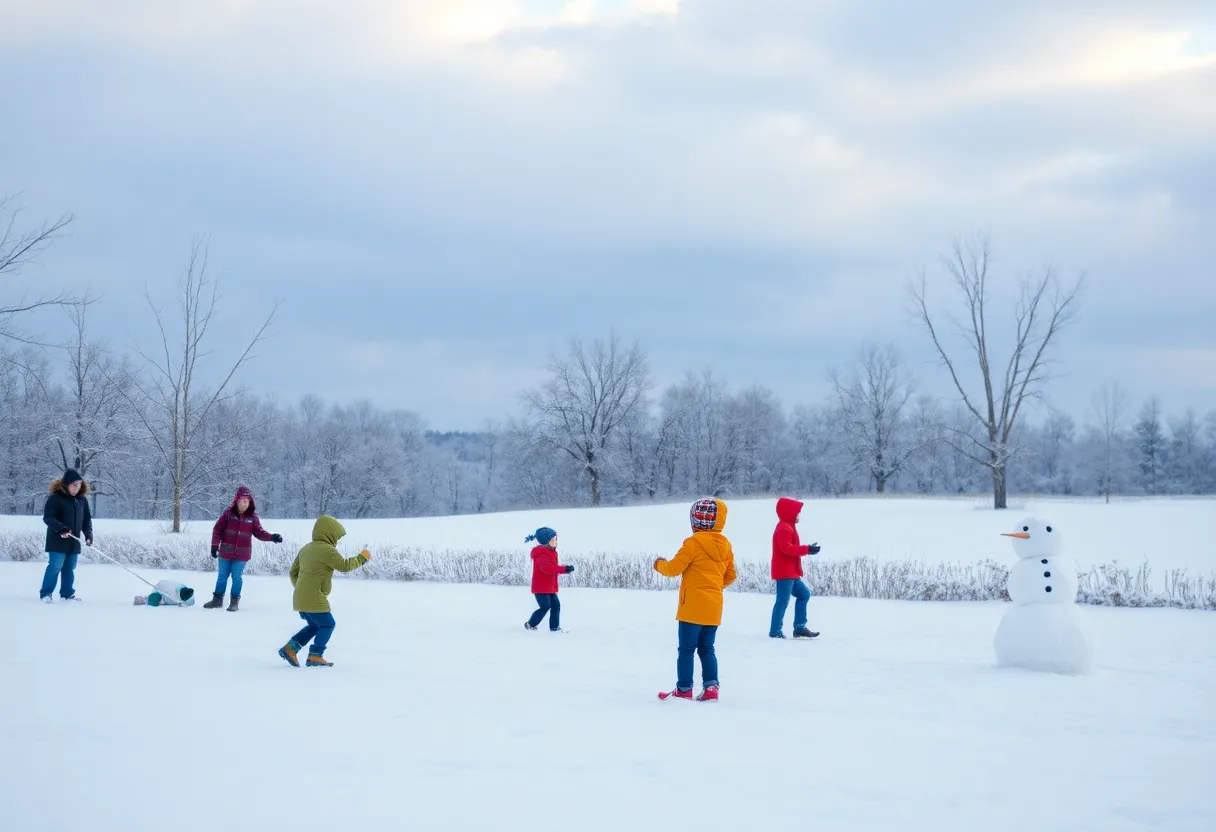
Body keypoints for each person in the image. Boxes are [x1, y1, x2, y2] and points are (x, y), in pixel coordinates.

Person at [654, 498, 736, 702]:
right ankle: (711, 687)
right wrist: (714, 587)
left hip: (691, 607)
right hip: (714, 606)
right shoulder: (725, 545)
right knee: (708, 648)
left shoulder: (693, 543)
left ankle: (684, 689)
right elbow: (731, 575)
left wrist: (659, 564)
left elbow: (673, 568)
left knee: (686, 650)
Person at [278, 515, 370, 668]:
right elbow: (345, 566)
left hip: (300, 598)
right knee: (328, 624)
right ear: (330, 534)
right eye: (337, 538)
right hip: (314, 597)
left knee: (315, 626)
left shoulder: (306, 548)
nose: (337, 542)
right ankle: (315, 656)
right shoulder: (327, 550)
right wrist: (362, 558)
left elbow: (293, 572)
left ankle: (290, 649)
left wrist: (301, 587)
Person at [205, 485, 283, 611]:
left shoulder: (253, 518)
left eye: (247, 501)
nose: (245, 503)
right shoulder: (228, 515)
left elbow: (259, 533)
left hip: (242, 554)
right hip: (225, 552)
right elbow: (217, 530)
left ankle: (234, 601)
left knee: (237, 577)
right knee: (222, 576)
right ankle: (217, 600)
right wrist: (214, 546)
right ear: (237, 501)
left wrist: (272, 537)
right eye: (242, 501)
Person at [769, 497, 821, 639]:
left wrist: (808, 549)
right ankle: (775, 632)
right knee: (782, 601)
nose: (799, 515)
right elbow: (787, 549)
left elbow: (790, 548)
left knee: (804, 594)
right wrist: (807, 549)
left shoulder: (788, 526)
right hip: (784, 572)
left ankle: (799, 628)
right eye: (797, 512)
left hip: (791, 572)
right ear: (788, 512)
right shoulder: (784, 528)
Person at [40, 468, 93, 603]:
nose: (77, 488)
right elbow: (48, 517)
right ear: (66, 484)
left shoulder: (82, 500)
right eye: (74, 485)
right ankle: (46, 594)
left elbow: (86, 520)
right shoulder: (56, 498)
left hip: (73, 542)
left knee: (70, 567)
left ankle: (67, 594)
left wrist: (88, 535)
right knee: (55, 566)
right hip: (57, 541)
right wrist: (61, 529)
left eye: (79, 485)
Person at [524, 527, 574, 632]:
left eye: (556, 539)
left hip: (549, 587)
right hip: (541, 587)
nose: (555, 542)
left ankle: (555, 628)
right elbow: (547, 569)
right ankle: (530, 624)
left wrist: (564, 568)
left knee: (556, 605)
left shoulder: (550, 552)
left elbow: (552, 568)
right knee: (545, 606)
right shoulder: (542, 553)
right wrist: (564, 569)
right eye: (552, 540)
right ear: (545, 542)